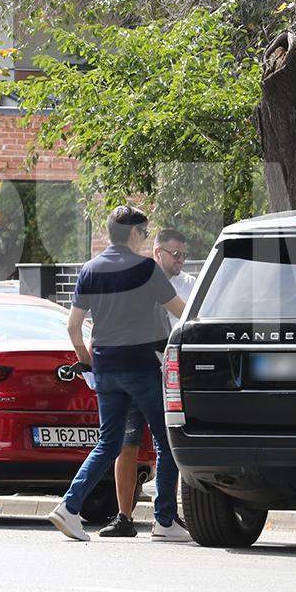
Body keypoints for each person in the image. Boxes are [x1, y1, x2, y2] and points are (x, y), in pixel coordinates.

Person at [48, 207, 190, 543]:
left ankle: (69, 507)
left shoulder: (90, 269)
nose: (144, 237)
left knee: (108, 442)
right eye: (143, 232)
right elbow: (181, 314)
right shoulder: (146, 269)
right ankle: (165, 522)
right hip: (142, 367)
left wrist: (87, 361)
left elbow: (73, 326)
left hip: (106, 369)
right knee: (166, 443)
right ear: (135, 234)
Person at [105, 227, 194, 537]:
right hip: (136, 372)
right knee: (126, 446)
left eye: (184, 254)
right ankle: (123, 518)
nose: (181, 260)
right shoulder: (137, 281)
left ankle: (164, 517)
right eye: (176, 254)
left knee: (165, 445)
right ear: (158, 252)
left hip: (165, 377)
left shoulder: (189, 287)